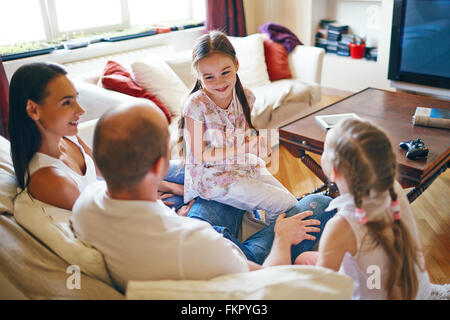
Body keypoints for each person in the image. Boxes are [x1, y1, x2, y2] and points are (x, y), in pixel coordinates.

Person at [71, 102, 325, 293]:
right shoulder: (197, 242)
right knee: (321, 203)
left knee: (218, 178)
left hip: (189, 230)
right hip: (235, 257)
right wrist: (282, 238)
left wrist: (173, 213)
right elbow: (266, 283)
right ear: (160, 165)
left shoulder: (86, 203)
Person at [8, 62, 189, 213]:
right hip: (120, 214)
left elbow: (106, 172)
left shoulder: (67, 138)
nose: (81, 110)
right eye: (66, 103)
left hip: (115, 197)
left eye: (75, 99)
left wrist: (165, 186)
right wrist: (162, 211)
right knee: (202, 199)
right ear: (33, 110)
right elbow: (101, 224)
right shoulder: (48, 179)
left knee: (199, 174)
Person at [295, 118, 433, 300]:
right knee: (308, 258)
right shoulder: (393, 188)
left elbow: (324, 290)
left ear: (333, 171)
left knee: (301, 262)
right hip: (417, 293)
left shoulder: (340, 226)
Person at [178, 30, 297, 225]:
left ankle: (270, 236)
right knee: (283, 203)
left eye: (225, 72)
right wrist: (243, 149)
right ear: (199, 76)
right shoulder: (195, 106)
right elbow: (200, 155)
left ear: (236, 64)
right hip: (211, 177)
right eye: (209, 77)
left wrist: (257, 143)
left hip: (239, 165)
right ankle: (272, 245)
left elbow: (240, 134)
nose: (220, 82)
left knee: (289, 201)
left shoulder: (246, 97)